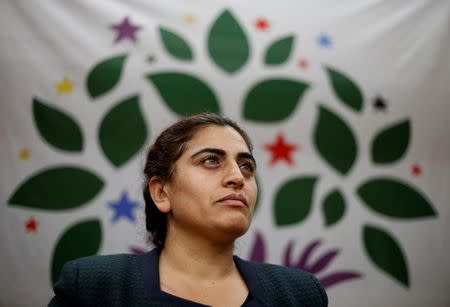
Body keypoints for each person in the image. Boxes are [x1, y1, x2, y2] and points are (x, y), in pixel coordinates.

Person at [48, 113, 328, 306]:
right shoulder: (94, 288)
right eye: (210, 161)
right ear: (161, 192)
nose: (237, 177)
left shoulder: (299, 295)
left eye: (247, 167)